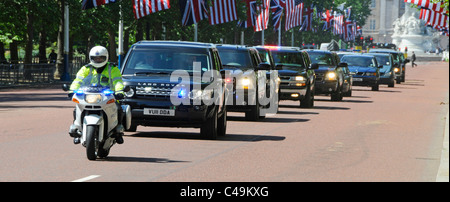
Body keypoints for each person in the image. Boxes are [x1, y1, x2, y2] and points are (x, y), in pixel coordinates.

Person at [69, 46, 125, 144]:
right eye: (95, 58)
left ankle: (118, 131)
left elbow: (118, 81)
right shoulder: (86, 68)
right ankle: (77, 129)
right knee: (77, 108)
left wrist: (119, 91)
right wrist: (72, 90)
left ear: (105, 57)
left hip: (108, 95)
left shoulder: (112, 68)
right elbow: (78, 80)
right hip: (89, 94)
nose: (98, 60)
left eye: (100, 58)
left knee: (119, 108)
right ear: (91, 58)